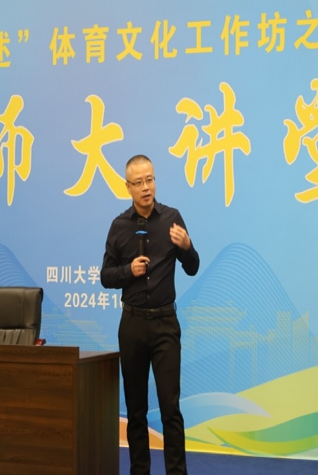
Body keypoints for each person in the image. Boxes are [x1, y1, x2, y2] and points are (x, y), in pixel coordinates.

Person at [101, 154, 200, 475]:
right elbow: (105, 276)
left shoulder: (172, 218)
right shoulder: (119, 226)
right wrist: (128, 271)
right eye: (139, 182)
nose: (146, 187)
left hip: (165, 325)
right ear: (127, 187)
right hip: (132, 325)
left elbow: (192, 267)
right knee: (136, 410)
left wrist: (187, 246)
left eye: (150, 180)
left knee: (171, 408)